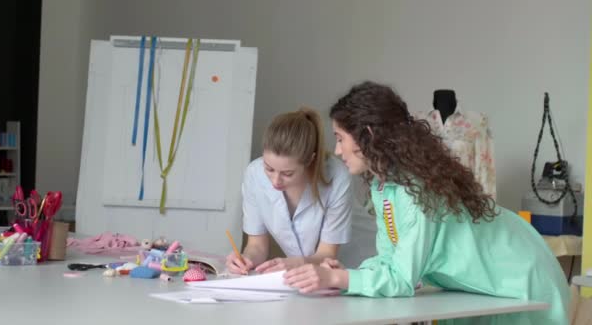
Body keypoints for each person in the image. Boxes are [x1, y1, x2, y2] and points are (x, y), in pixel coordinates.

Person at [283, 82, 569, 324]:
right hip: (481, 291)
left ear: (367, 136)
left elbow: (402, 280)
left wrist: (339, 280)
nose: (337, 150)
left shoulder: (415, 191)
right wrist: (344, 274)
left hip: (521, 282)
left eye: (340, 138)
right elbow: (389, 260)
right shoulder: (385, 187)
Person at [226, 107, 353, 275]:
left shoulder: (337, 176)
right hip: (308, 278)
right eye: (269, 168)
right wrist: (246, 259)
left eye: (287, 173)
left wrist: (295, 264)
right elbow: (257, 245)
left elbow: (327, 254)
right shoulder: (254, 174)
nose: (275, 181)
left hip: (351, 266)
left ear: (310, 161)